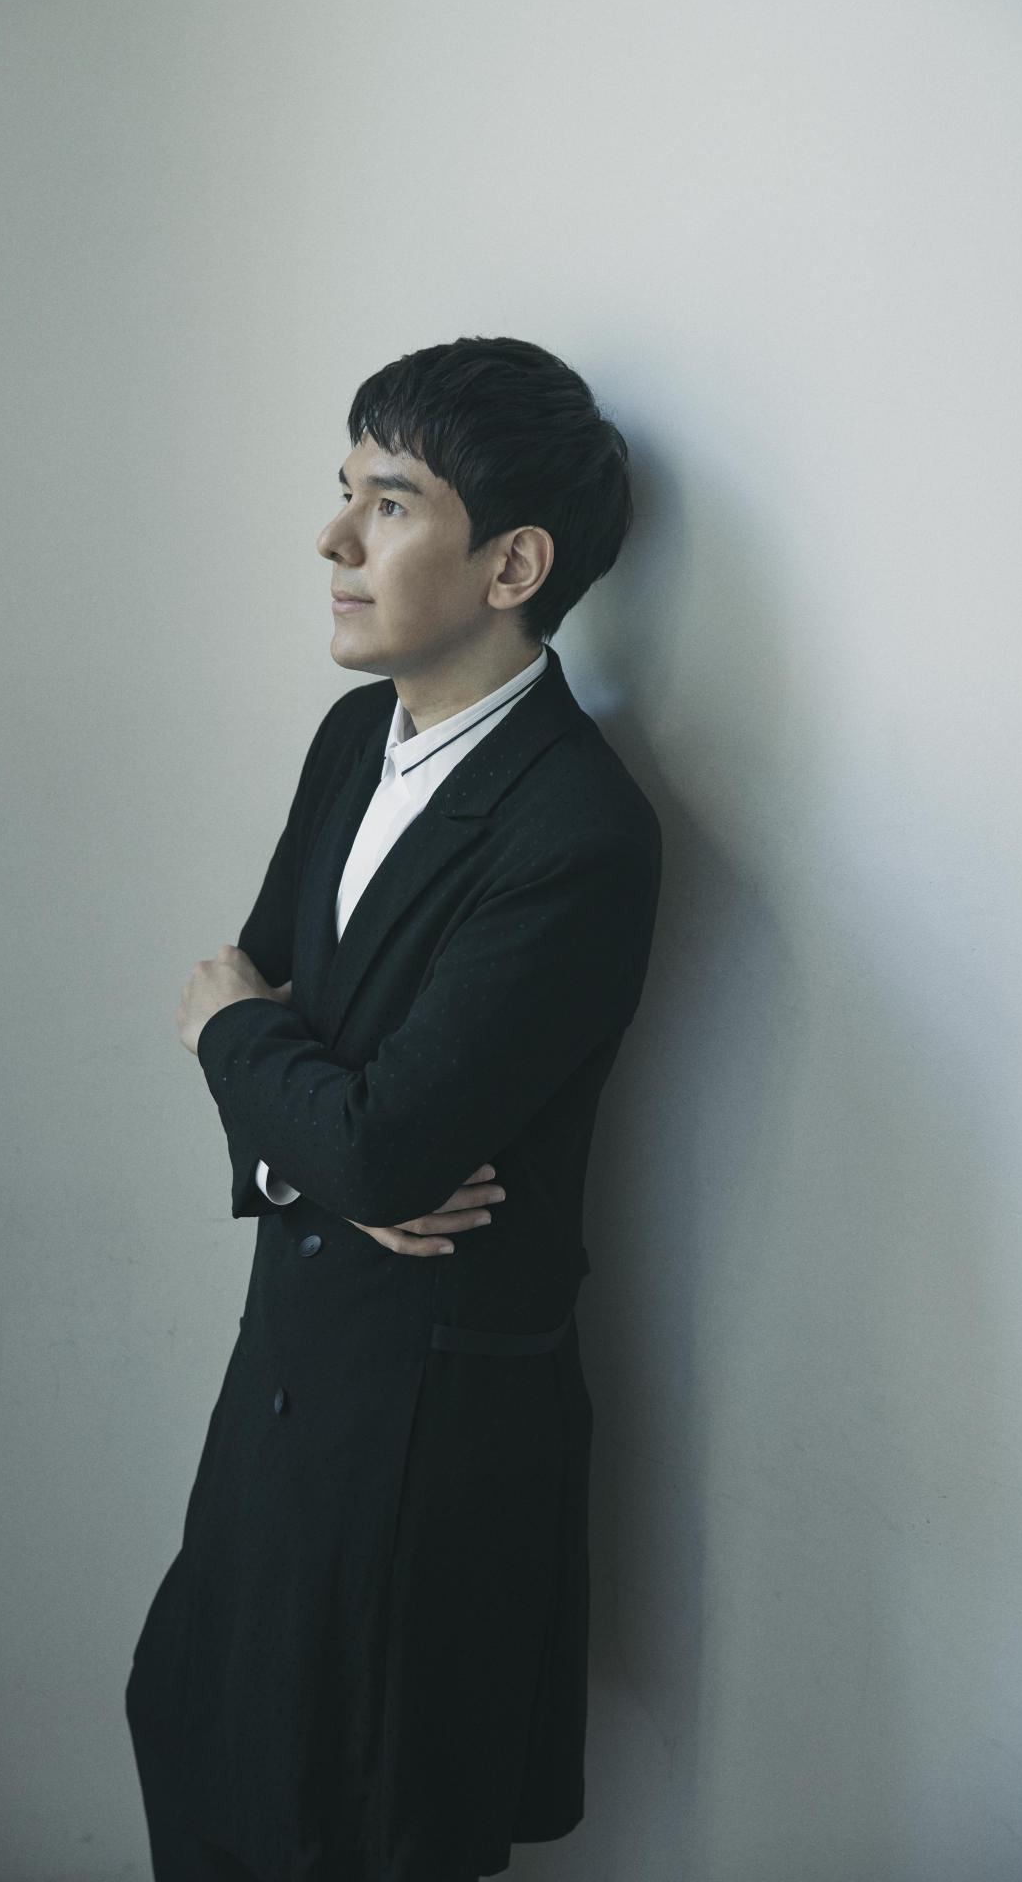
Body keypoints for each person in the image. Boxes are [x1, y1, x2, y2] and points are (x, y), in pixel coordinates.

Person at [125, 334, 663, 1882]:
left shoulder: (577, 829)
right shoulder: (354, 737)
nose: (333, 540)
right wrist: (322, 1153)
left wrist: (272, 1074)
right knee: (192, 1745)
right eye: (344, 492)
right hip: (279, 1400)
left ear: (514, 566)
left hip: (426, 1452)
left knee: (354, 1835)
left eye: (389, 502)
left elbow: (257, 1032)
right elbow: (303, 1060)